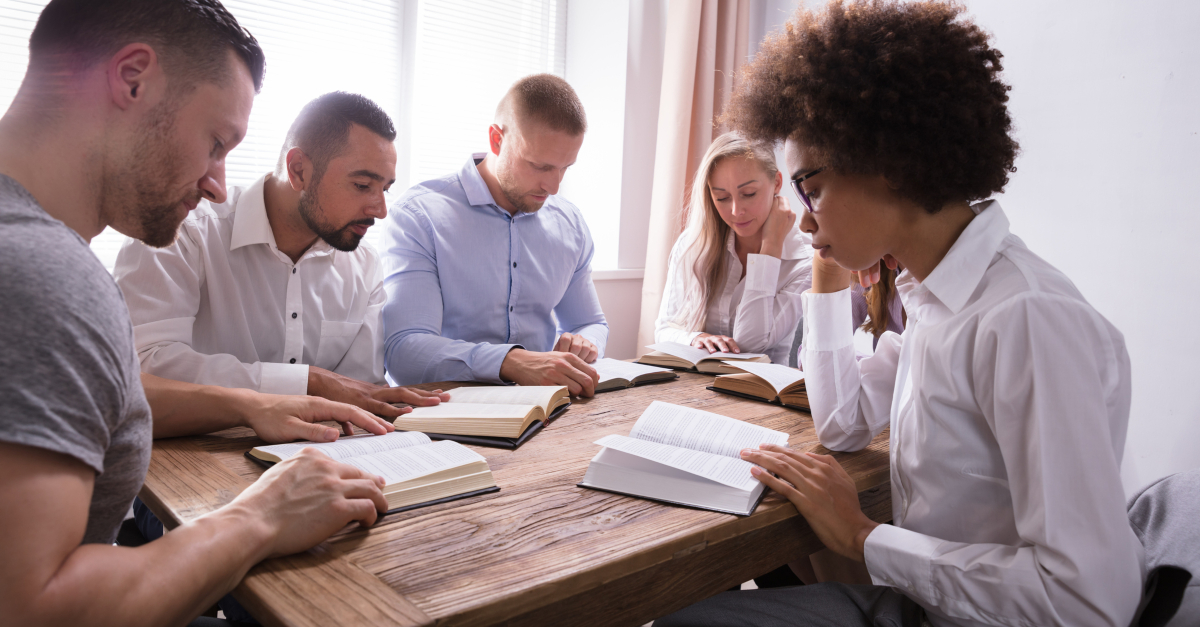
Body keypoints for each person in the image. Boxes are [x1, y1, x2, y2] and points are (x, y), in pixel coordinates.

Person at [657, 1, 1143, 626]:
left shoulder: (1024, 319)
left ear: (885, 164)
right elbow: (841, 425)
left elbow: (1089, 603)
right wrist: (829, 281)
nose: (802, 218)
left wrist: (863, 538)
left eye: (810, 186)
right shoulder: (935, 300)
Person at [0, 2, 394, 625]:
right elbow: (32, 608)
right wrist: (257, 517)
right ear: (132, 79)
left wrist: (249, 403)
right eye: (216, 142)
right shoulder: (45, 277)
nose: (217, 184)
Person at [114, 91, 448, 417]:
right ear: (299, 170)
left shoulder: (365, 265)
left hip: (320, 452)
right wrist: (309, 382)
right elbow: (145, 366)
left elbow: (357, 391)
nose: (380, 210)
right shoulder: (185, 230)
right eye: (363, 185)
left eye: (385, 189)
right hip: (187, 460)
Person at [382, 73, 607, 396]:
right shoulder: (420, 216)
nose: (553, 187)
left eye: (565, 168)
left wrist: (586, 342)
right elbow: (404, 352)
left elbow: (591, 322)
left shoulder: (569, 223)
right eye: (540, 166)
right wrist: (511, 362)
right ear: (496, 139)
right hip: (445, 412)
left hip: (546, 410)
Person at [654, 132, 812, 366]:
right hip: (692, 388)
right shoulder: (692, 245)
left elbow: (750, 344)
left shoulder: (804, 261)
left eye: (749, 194)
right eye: (722, 197)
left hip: (760, 394)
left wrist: (770, 249)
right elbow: (664, 331)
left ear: (777, 183)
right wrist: (695, 338)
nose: (736, 211)